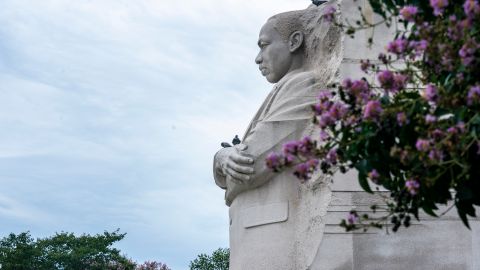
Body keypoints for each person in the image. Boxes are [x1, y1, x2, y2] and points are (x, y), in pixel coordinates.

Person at [213, 3, 342, 269]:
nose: (258, 58)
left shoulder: (306, 85)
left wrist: (227, 163)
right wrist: (222, 157)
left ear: (295, 41)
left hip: (273, 241)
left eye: (264, 45)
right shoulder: (283, 89)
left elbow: (251, 165)